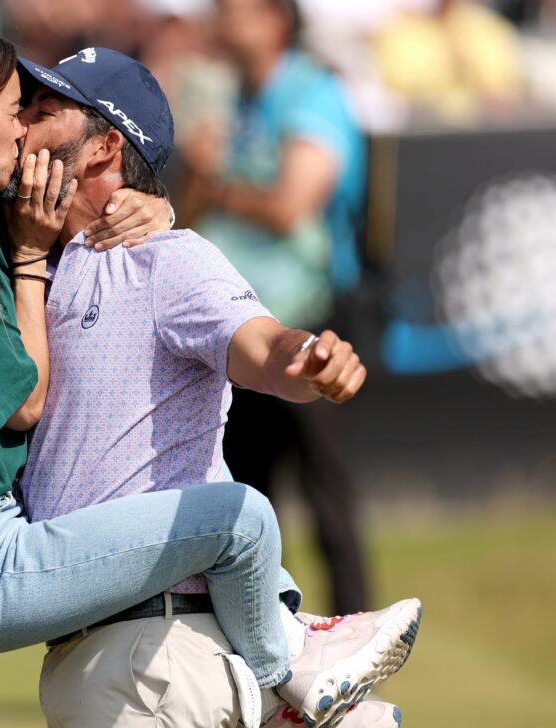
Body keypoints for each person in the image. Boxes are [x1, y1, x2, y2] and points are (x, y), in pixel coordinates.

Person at [0, 22, 419, 728]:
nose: (22, 124)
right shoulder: (12, 249)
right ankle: (295, 674)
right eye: (17, 107)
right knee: (244, 517)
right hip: (36, 605)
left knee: (246, 517)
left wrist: (304, 357)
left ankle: (294, 668)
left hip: (146, 646)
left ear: (106, 147)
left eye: (43, 111)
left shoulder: (150, 255)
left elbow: (262, 347)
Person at [177, 0, 371, 617]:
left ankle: (356, 636)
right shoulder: (229, 100)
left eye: (236, 8)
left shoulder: (315, 95)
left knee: (327, 494)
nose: (221, 16)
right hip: (243, 326)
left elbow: (290, 206)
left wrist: (217, 183)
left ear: (276, 20)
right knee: (248, 499)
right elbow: (188, 218)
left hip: (311, 315)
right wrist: (204, 180)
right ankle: (266, 644)